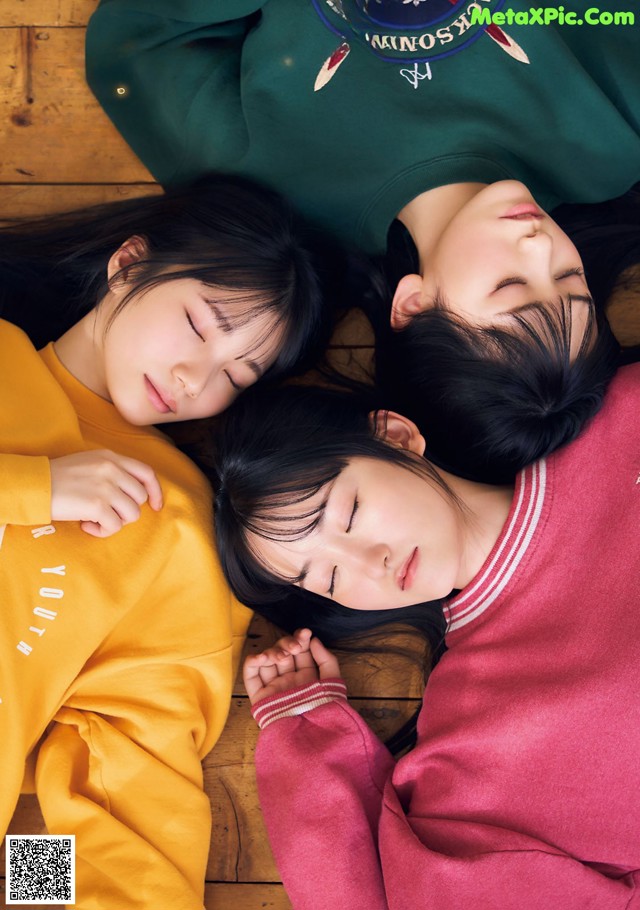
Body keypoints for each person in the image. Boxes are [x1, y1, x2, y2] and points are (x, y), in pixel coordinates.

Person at [84, 0, 640, 479]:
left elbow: (139, 41)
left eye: (511, 285)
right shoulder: (613, 143)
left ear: (415, 304)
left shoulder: (267, 196)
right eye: (571, 281)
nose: (542, 247)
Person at [0, 175, 329, 909]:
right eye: (200, 324)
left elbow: (108, 773)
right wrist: (31, 489)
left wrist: (31, 895)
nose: (192, 379)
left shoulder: (171, 522)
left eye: (236, 374)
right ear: (129, 265)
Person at [211, 376, 640, 908]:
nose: (373, 565)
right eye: (329, 580)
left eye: (348, 514)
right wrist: (308, 745)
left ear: (394, 435)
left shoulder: (622, 416)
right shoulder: (476, 727)